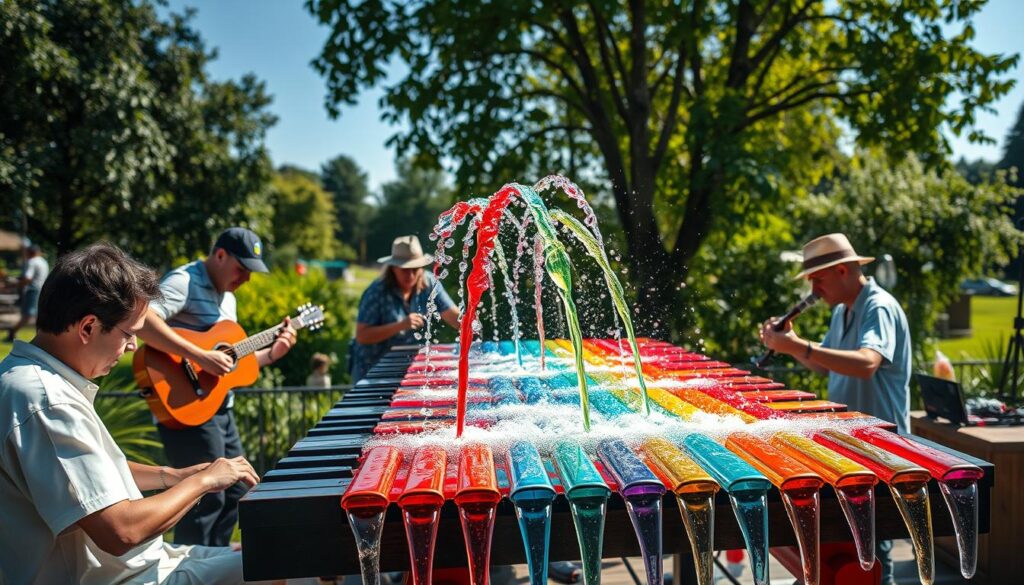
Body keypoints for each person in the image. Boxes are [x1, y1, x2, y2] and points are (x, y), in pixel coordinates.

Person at [0, 243, 260, 584]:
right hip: (129, 579)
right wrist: (205, 481)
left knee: (268, 556)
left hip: (148, 565)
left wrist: (174, 476)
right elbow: (122, 531)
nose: (134, 346)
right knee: (288, 566)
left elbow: (87, 475)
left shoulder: (27, 378)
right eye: (130, 333)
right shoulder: (47, 402)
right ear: (88, 327)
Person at [759, 232, 911, 585]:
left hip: (880, 451)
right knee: (848, 549)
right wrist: (791, 347)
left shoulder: (878, 305)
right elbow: (827, 365)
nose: (813, 287)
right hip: (853, 447)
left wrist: (801, 346)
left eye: (817, 277)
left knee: (871, 556)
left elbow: (866, 362)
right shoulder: (844, 309)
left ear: (842, 270)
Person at [138, 227, 297, 547]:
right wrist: (198, 355)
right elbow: (142, 319)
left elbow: (229, 367)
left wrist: (270, 354)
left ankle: (214, 562)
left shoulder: (229, 299)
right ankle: (191, 569)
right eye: (242, 269)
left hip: (219, 409)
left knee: (239, 487)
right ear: (220, 255)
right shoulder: (183, 281)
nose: (247, 279)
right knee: (205, 499)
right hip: (185, 409)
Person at [350, 235, 460, 381]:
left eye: (415, 268)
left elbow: (454, 316)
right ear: (393, 268)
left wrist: (474, 328)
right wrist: (401, 325)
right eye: (405, 269)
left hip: (408, 370)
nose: (411, 274)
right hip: (372, 373)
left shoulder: (429, 283)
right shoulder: (376, 292)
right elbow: (362, 336)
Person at [6, 243, 49, 342]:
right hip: (42, 290)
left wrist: (15, 285)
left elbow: (27, 278)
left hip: (32, 290)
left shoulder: (32, 262)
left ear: (30, 252)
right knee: (37, 315)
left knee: (28, 314)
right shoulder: (43, 261)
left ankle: (12, 332)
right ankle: (39, 337)